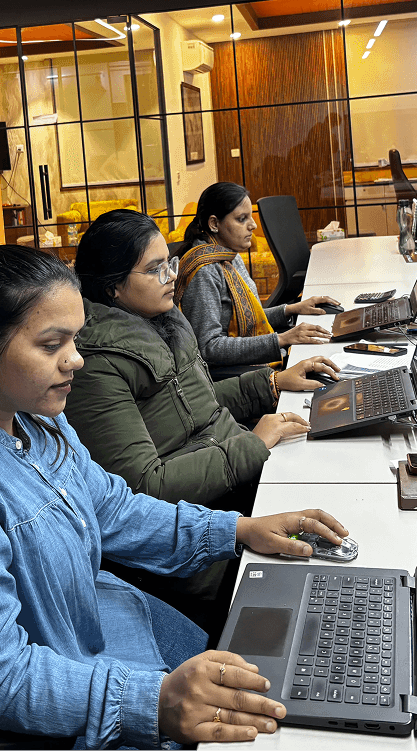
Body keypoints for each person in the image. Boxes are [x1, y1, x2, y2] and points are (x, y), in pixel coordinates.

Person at [0, 244, 348, 750]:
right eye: (51, 345)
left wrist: (235, 530)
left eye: (76, 339)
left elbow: (111, 509)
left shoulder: (32, 413)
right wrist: (155, 703)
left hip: (85, 637)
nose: (76, 360)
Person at [66, 210, 341, 625]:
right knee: (328, 588)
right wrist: (251, 444)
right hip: (201, 536)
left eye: (170, 264)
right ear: (114, 288)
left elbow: (202, 404)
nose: (171, 277)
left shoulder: (164, 320)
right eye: (155, 270)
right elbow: (144, 489)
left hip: (237, 488)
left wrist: (270, 383)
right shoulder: (96, 366)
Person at [175, 183, 341, 374]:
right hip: (228, 375)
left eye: (250, 216)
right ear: (214, 224)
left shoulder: (228, 255)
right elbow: (209, 348)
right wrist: (282, 339)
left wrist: (291, 310)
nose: (253, 225)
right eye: (241, 219)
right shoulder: (204, 271)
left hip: (244, 364)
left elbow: (245, 317)